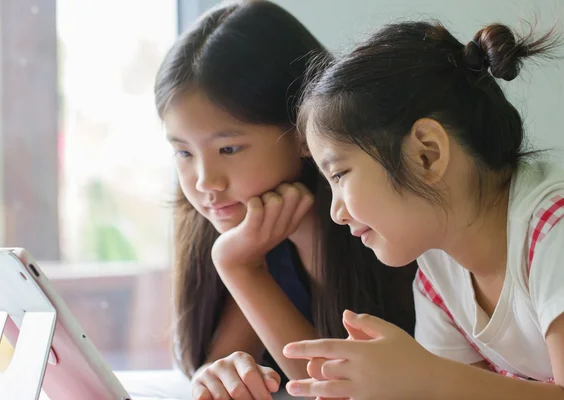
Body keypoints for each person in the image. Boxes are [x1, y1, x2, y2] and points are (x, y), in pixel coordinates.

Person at [283, 20, 564, 399]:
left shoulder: (554, 231)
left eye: (339, 174)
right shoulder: (438, 269)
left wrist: (426, 377)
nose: (336, 212)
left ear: (426, 154)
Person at [154, 2, 417, 399]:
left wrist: (240, 268)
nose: (206, 182)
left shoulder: (371, 220)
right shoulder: (251, 222)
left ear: (301, 131)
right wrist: (218, 373)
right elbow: (217, 364)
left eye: (228, 149)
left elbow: (332, 389)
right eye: (184, 153)